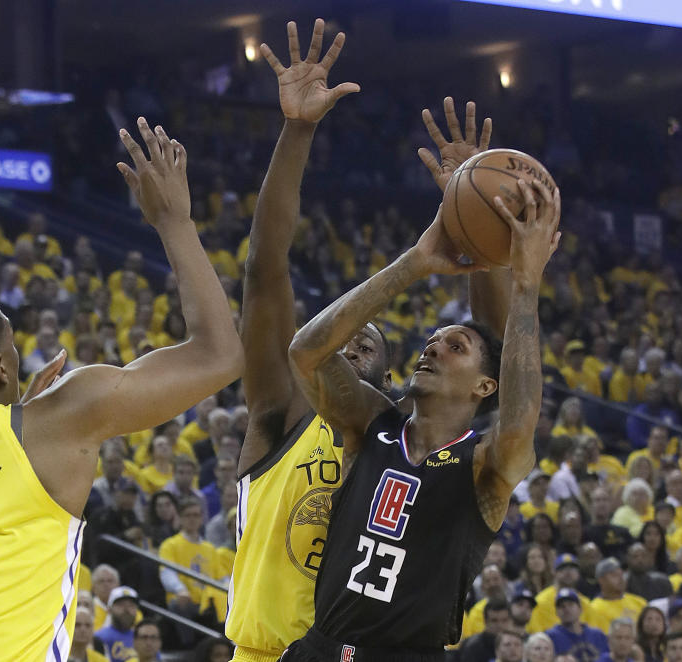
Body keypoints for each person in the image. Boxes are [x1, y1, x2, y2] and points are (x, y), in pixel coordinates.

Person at [0, 119, 243, 660]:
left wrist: (17, 420)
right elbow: (219, 353)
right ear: (3, 370)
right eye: (12, 346)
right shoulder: (62, 422)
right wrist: (173, 220)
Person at [227, 20, 508, 662]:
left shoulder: (384, 433)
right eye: (347, 341)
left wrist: (481, 232)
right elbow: (265, 268)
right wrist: (298, 131)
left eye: (366, 348)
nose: (350, 348)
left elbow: (486, 349)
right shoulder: (286, 410)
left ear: (383, 381)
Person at [282, 109, 559, 657]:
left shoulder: (484, 465)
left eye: (456, 346)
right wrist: (417, 260)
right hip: (319, 649)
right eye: (433, 339)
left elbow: (523, 415)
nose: (433, 345)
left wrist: (523, 283)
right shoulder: (373, 422)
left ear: (485, 387)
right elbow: (306, 351)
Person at [544, 588, 608, 662]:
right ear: (556, 612)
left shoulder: (597, 635)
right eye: (562, 606)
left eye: (570, 605)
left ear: (580, 609)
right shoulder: (550, 637)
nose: (566, 609)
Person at [586, 558, 647, 632]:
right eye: (615, 575)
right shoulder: (594, 609)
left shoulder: (639, 602)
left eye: (622, 574)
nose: (621, 578)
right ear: (601, 580)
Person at [95, 586, 139, 662]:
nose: (127, 610)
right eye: (121, 605)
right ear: (109, 609)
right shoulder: (99, 637)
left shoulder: (143, 637)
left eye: (131, 605)